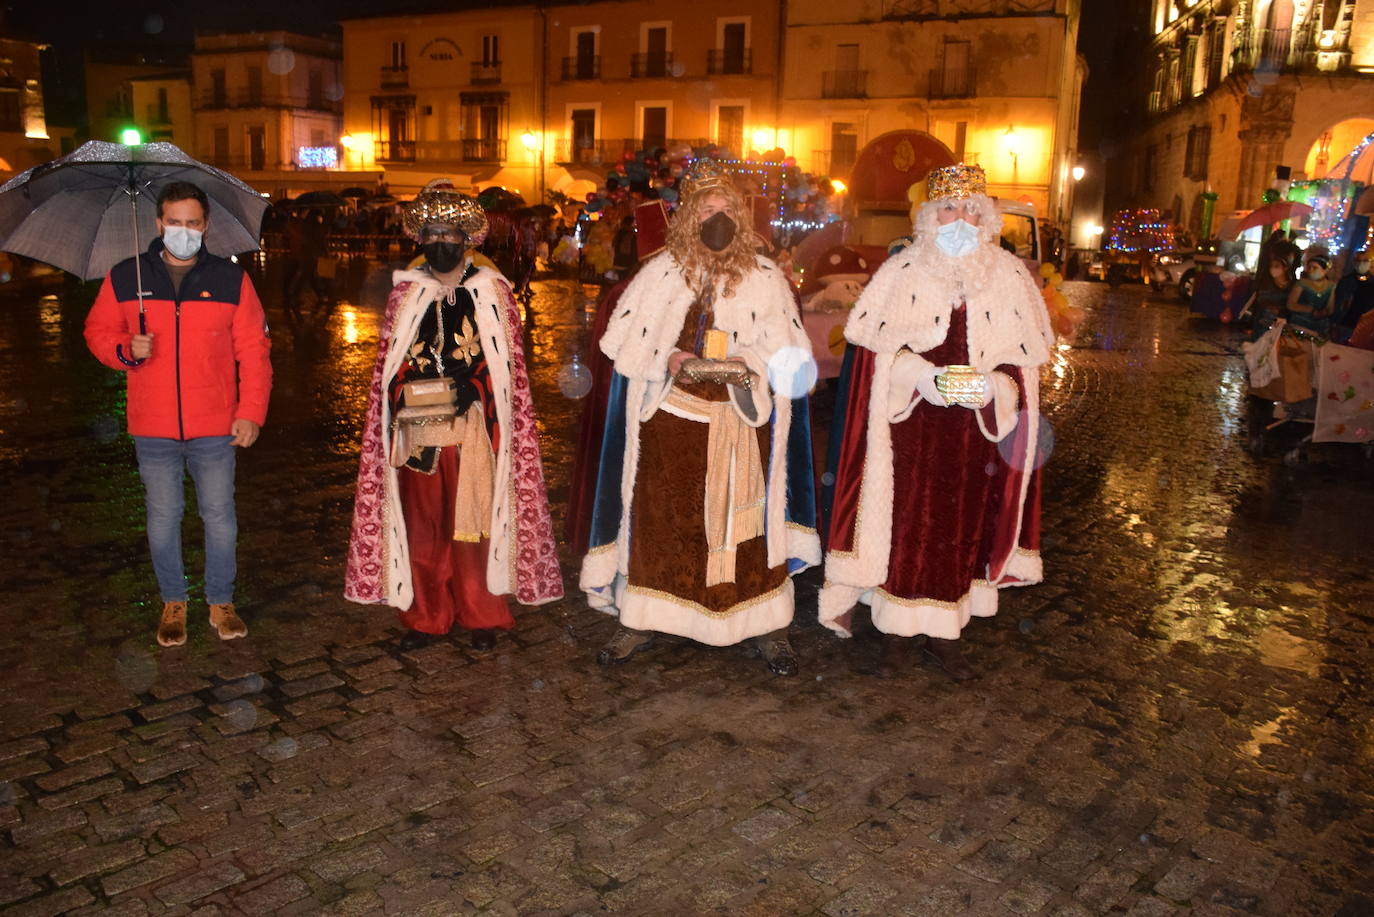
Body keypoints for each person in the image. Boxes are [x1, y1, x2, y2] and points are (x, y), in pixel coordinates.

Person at [579, 159, 821, 676]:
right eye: (707, 208)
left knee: (748, 526)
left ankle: (763, 625)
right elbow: (621, 344)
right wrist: (666, 357)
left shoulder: (765, 277)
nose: (718, 218)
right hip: (671, 422)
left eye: (727, 209)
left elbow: (793, 358)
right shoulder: (661, 273)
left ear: (742, 216)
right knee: (662, 522)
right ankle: (641, 617)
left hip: (741, 421)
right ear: (689, 216)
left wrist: (748, 363)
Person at [819, 164, 1054, 680]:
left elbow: (1022, 364)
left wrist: (993, 388)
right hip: (910, 428)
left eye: (972, 210)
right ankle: (897, 632)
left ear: (987, 218)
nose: (961, 220)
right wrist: (920, 376)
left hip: (976, 435)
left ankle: (946, 631)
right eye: (950, 208)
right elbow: (874, 358)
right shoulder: (901, 273)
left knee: (960, 526)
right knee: (904, 523)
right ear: (929, 216)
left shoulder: (1011, 277)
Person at [344, 180, 562, 651]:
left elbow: (508, 367)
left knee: (472, 525)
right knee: (424, 528)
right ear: (419, 238)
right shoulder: (407, 294)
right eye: (432, 233)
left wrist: (476, 386)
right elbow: (391, 362)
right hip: (418, 431)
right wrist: (402, 392)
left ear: (468, 239)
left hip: (473, 430)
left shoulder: (491, 292)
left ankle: (481, 613)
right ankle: (426, 617)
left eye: (451, 233)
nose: (441, 242)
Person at [84, 181, 272, 647]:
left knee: (219, 515)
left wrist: (251, 411)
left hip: (215, 423)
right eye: (174, 222)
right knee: (163, 517)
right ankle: (173, 600)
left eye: (192, 223)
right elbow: (97, 331)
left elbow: (253, 349)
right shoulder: (127, 276)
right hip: (154, 426)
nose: (183, 231)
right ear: (158, 224)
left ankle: (220, 600)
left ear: (205, 226)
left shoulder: (231, 280)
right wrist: (126, 348)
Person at [1287, 251, 1336, 337]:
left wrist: (1324, 313)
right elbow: (1291, 304)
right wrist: (1310, 310)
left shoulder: (1330, 286)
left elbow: (1330, 307)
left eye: (1315, 268)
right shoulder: (1302, 283)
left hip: (1320, 325)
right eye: (1309, 267)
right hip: (1300, 322)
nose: (1310, 270)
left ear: (1325, 270)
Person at [1332, 249, 1374, 342]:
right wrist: (1334, 324)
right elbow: (1337, 304)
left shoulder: (1372, 283)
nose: (1361, 263)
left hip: (1364, 328)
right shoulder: (1346, 281)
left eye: (1365, 260)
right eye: (1358, 260)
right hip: (1345, 324)